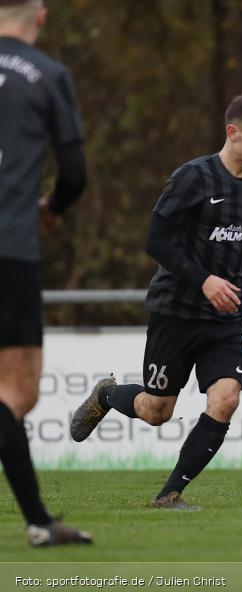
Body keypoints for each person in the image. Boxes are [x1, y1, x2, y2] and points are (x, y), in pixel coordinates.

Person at [69, 92, 242, 511]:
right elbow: (156, 240)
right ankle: (107, 395)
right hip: (176, 311)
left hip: (224, 318)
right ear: (232, 132)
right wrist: (203, 281)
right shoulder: (193, 178)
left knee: (226, 399)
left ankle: (169, 494)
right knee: (156, 411)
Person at [0, 0, 91, 546]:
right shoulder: (48, 75)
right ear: (41, 16)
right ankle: (38, 521)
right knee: (17, 393)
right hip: (9, 247)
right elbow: (75, 173)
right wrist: (52, 209)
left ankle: (38, 520)